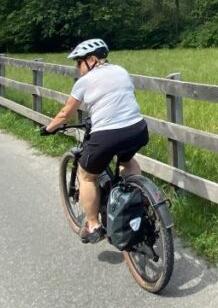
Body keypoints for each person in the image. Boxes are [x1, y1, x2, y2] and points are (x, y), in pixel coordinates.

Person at [40, 38, 148, 244]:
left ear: (92, 59)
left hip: (107, 135)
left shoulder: (84, 82)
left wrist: (48, 128)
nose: (77, 67)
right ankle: (140, 198)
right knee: (126, 161)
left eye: (79, 62)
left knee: (87, 176)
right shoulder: (121, 71)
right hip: (138, 129)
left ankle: (93, 225)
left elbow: (66, 113)